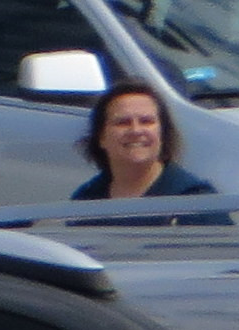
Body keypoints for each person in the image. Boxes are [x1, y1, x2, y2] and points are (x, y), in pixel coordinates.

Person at [69, 79, 229, 224]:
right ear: (101, 137)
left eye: (146, 121)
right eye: (122, 122)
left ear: (162, 133)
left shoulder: (197, 202)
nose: (136, 130)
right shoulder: (85, 202)